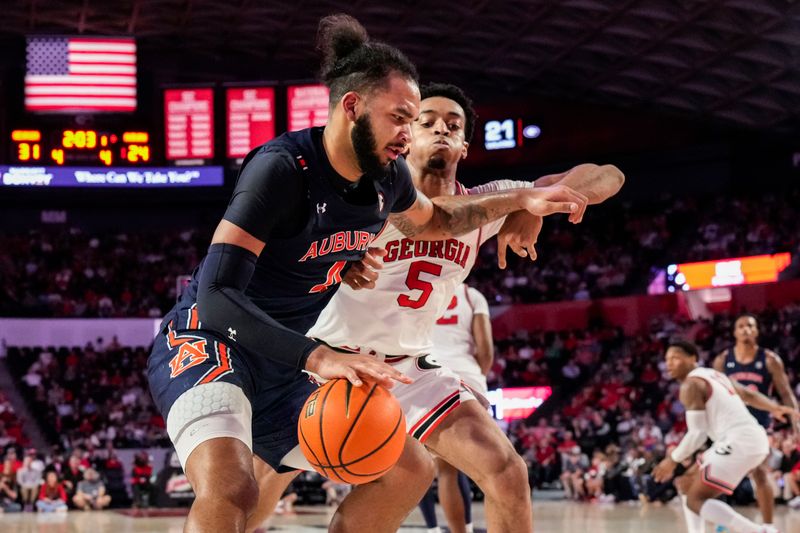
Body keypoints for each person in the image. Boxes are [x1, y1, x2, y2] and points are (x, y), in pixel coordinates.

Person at [146, 15, 588, 533]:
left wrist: (523, 199)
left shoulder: (389, 178)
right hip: (211, 340)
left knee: (408, 469)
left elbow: (441, 221)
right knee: (233, 488)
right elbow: (216, 295)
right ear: (352, 107)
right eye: (401, 118)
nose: (408, 134)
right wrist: (318, 355)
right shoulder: (282, 169)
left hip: (286, 360)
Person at [302, 82, 622, 532]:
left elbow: (608, 175)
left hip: (407, 368)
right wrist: (523, 200)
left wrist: (547, 199)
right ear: (405, 135)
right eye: (427, 121)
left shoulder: (488, 198)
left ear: (465, 147)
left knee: (507, 471)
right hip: (327, 361)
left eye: (453, 126)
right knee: (256, 490)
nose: (441, 130)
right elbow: (436, 216)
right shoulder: (373, 191)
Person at [653, 340, 799, 533]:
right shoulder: (714, 374)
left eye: (675, 358)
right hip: (751, 438)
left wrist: (671, 460)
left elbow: (698, 434)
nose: (669, 363)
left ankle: (760, 531)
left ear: (692, 359)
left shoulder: (691, 385)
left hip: (739, 441)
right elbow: (748, 394)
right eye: (667, 359)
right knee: (686, 485)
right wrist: (774, 407)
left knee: (696, 500)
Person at [415, 283, 492, 533]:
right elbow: (486, 349)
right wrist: (477, 373)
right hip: (465, 377)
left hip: (426, 376)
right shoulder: (473, 295)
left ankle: (434, 528)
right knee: (491, 471)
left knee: (433, 469)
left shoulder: (421, 288)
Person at [713, 313, 799, 526]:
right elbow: (713, 393)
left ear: (757, 331)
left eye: (750, 326)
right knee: (719, 474)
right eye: (741, 326)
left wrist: (795, 423)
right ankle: (722, 524)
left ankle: (768, 526)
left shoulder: (769, 359)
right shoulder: (723, 360)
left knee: (760, 473)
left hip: (759, 424)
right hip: (729, 424)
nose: (745, 330)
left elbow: (786, 393)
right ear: (734, 332)